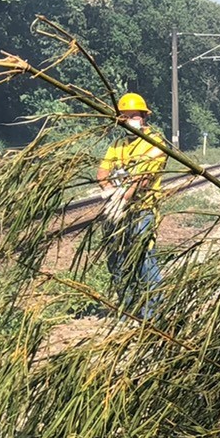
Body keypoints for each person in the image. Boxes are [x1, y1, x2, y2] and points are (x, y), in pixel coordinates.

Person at [97, 92, 167, 316]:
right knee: (117, 258)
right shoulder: (117, 145)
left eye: (133, 116)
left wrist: (123, 199)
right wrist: (111, 194)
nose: (130, 121)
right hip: (119, 209)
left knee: (143, 258)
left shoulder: (155, 143)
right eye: (125, 117)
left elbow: (143, 178)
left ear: (143, 117)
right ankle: (127, 307)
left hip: (142, 210)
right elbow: (102, 173)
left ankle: (155, 311)